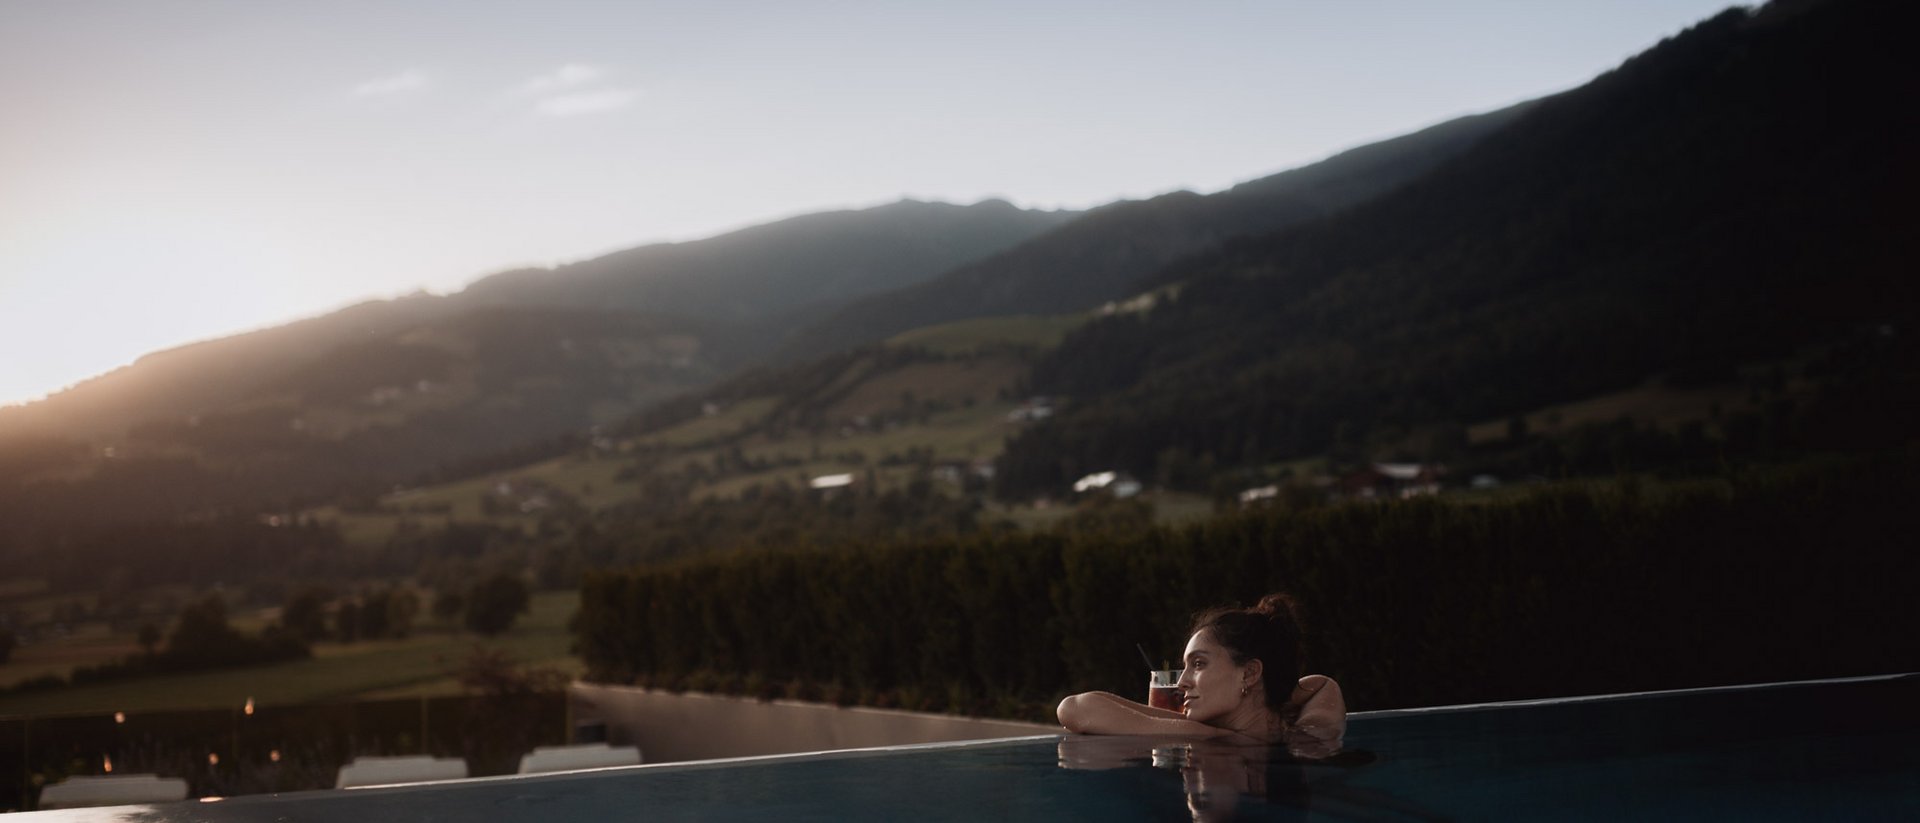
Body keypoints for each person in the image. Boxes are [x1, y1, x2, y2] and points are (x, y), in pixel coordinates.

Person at [1055, 593, 1346, 754]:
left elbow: (1321, 684)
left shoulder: (1308, 737)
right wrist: (1212, 735)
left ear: (1250, 673)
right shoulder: (1208, 730)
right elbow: (1076, 708)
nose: (1181, 682)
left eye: (1198, 664)